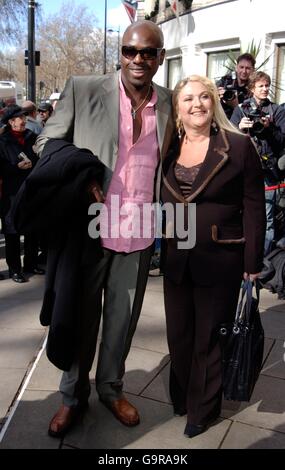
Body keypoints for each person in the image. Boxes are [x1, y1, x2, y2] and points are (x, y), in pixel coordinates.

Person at [34, 20, 174, 438]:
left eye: (148, 52)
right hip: (89, 229)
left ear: (160, 58)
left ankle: (112, 389)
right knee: (79, 317)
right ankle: (71, 397)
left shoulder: (169, 102)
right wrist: (80, 175)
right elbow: (47, 143)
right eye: (131, 51)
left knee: (122, 318)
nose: (138, 59)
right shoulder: (84, 88)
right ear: (120, 53)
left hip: (140, 229)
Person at [161, 75, 266, 438]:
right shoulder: (168, 147)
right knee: (179, 335)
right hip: (177, 255)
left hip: (221, 256)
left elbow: (254, 207)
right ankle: (182, 395)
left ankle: (201, 410)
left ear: (214, 103)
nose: (197, 104)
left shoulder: (238, 146)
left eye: (205, 97)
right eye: (188, 98)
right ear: (177, 108)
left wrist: (253, 263)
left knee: (209, 336)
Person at [231, 71, 285, 255]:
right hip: (245, 170)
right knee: (243, 215)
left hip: (268, 171)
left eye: (267, 85)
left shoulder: (277, 111)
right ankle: (245, 258)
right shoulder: (241, 109)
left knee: (267, 219)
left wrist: (269, 128)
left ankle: (263, 261)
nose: (265, 89)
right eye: (261, 85)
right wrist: (240, 128)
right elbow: (229, 138)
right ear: (252, 87)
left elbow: (281, 142)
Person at [0, 105, 44, 282]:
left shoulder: (31, 137)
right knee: (12, 232)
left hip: (30, 190)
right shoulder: (2, 142)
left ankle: (31, 263)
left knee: (32, 229)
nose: (24, 120)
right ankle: (14, 269)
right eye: (20, 118)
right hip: (11, 193)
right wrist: (14, 168)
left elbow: (40, 158)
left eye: (25, 117)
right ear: (12, 122)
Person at [216, 53, 255, 119]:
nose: (244, 71)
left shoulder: (253, 89)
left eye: (248, 68)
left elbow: (252, 114)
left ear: (253, 70)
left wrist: (236, 106)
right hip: (221, 120)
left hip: (238, 125)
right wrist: (216, 94)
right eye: (241, 67)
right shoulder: (225, 81)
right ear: (236, 67)